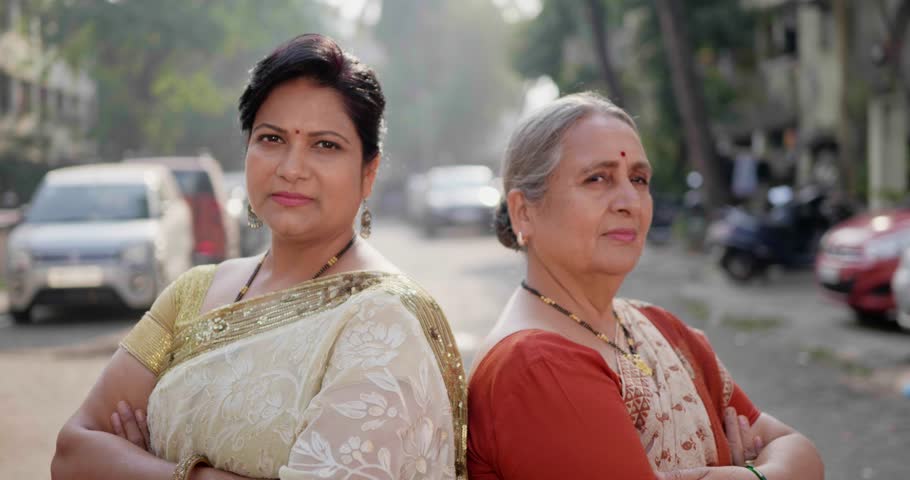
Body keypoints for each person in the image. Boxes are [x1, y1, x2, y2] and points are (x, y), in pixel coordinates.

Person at [52, 34, 467, 480]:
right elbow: (72, 453)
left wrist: (145, 465)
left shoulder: (384, 320)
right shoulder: (194, 294)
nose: (291, 168)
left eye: (325, 145)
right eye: (272, 138)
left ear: (369, 172)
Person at [466, 92, 823, 480]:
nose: (629, 201)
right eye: (597, 178)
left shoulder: (660, 328)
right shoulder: (535, 365)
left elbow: (803, 454)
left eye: (638, 179)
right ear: (524, 211)